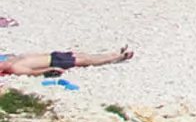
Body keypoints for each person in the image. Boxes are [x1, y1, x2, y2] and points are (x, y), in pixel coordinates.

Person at [0, 47, 134, 76]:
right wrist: (50, 71)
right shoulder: (15, 68)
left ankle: (113, 54)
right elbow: (32, 71)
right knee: (86, 60)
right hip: (55, 61)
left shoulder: (10, 60)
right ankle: (117, 57)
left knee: (84, 54)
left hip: (52, 55)